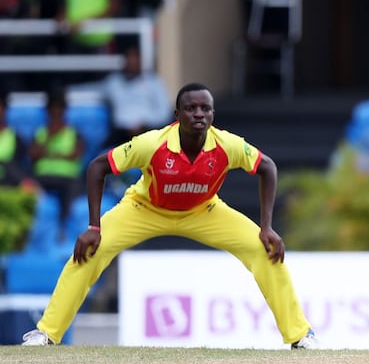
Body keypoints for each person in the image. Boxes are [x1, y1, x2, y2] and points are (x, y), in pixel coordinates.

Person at [21, 82, 318, 349]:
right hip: (144, 209)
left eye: (205, 108)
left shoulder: (226, 145)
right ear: (177, 114)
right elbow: (98, 166)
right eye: (191, 108)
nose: (199, 114)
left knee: (264, 250)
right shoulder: (152, 144)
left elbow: (267, 166)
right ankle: (47, 333)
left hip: (204, 210)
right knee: (89, 251)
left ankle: (299, 335)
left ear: (213, 114)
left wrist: (266, 226)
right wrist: (93, 226)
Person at [29, 90, 85, 237]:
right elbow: (34, 154)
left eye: (59, 108)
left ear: (64, 110)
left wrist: (49, 153)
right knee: (28, 184)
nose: (56, 112)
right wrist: (50, 137)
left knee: (73, 189)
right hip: (43, 177)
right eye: (52, 109)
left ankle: (63, 229)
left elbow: (76, 154)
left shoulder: (74, 132)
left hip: (67, 178)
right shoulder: (41, 132)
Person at [101, 45, 172, 147]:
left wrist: (144, 125)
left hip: (149, 132)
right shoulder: (113, 82)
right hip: (120, 135)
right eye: (129, 58)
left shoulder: (154, 82)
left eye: (135, 57)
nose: (132, 61)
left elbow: (164, 112)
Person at [0, 91, 33, 187]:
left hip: (8, 179)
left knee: (10, 166)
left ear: (5, 111)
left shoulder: (15, 137)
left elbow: (20, 163)